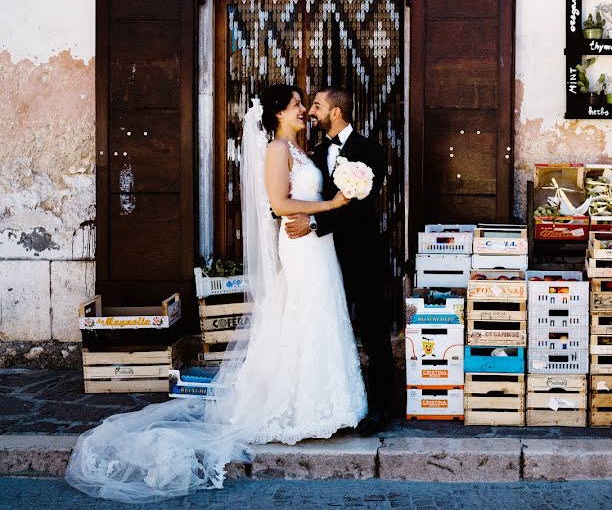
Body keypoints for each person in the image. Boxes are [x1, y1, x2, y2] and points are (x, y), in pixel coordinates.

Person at [64, 85, 367, 502]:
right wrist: (330, 208)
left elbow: (301, 196)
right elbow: (279, 204)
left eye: (304, 104)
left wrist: (325, 213)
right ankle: (298, 406)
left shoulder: (302, 151)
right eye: (297, 104)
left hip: (317, 244)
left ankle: (330, 404)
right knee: (304, 312)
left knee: (322, 311)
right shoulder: (278, 151)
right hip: (299, 244)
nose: (304, 110)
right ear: (278, 113)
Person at [283, 87, 392, 434]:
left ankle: (381, 407)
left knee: (373, 331)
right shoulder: (313, 154)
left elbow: (359, 207)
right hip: (322, 257)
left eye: (317, 105)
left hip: (361, 254)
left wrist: (314, 223)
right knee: (328, 329)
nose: (311, 111)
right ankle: (332, 405)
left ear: (336, 112)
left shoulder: (370, 151)